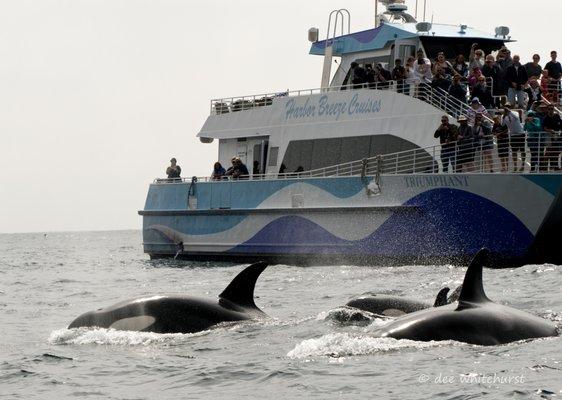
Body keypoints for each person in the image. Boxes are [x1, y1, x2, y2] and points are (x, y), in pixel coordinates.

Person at [502, 105, 525, 172]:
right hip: (513, 135)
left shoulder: (515, 113)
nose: (506, 109)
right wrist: (503, 116)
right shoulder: (505, 117)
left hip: (520, 134)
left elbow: (516, 117)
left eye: (508, 107)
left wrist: (509, 112)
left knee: (522, 150)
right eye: (506, 107)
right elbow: (503, 124)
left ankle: (522, 165)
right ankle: (515, 166)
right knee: (514, 151)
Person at [542, 104, 562, 171]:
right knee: (548, 151)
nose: (551, 110)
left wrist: (558, 132)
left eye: (552, 109)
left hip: (557, 136)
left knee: (556, 152)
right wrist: (550, 130)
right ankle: (545, 167)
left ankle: (555, 166)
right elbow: (544, 128)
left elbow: (560, 125)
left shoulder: (557, 116)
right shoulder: (546, 118)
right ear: (547, 110)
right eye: (549, 109)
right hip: (549, 136)